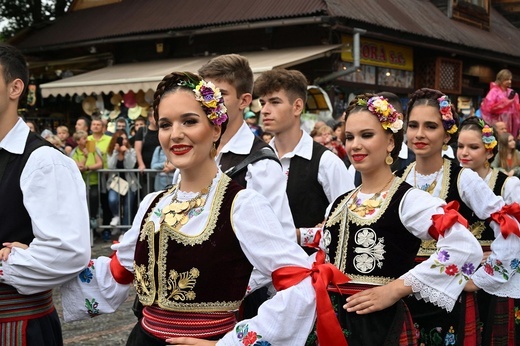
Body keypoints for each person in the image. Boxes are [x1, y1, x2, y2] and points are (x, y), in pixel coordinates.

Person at [59, 72, 350, 346]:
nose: (175, 134)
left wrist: (233, 342)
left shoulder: (241, 204)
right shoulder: (153, 203)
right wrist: (31, 261)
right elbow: (118, 271)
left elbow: (301, 282)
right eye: (165, 124)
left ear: (215, 128)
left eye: (189, 121)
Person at [304, 94, 482, 345]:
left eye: (367, 135)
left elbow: (463, 246)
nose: (355, 145)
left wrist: (395, 289)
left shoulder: (409, 200)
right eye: (350, 137)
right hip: (332, 323)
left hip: (382, 325)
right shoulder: (339, 201)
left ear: (390, 142)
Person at [398, 88, 520, 344]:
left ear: (446, 134)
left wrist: (480, 279)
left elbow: (508, 225)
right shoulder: (399, 178)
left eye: (430, 126)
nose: (419, 134)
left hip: (451, 294)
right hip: (406, 292)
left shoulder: (464, 178)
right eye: (413, 125)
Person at [0, 42, 90, 345]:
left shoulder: (43, 161)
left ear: (15, 88)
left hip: (15, 325)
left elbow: (68, 252)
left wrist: (5, 265)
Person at [198, 55, 296, 319]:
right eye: (206, 94)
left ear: (243, 100)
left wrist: (228, 290)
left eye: (221, 95)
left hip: (239, 301)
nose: (211, 103)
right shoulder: (197, 151)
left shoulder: (260, 164)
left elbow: (280, 244)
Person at [253, 68, 354, 253]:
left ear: (297, 107)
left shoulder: (326, 162)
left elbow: (349, 225)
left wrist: (302, 234)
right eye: (262, 102)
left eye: (274, 102)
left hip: (310, 273)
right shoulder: (256, 159)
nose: (265, 110)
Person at [456, 116, 520, 345]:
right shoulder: (455, 183)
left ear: (490, 152)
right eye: (460, 146)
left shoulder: (507, 184)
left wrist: (494, 257)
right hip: (462, 273)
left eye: (473, 147)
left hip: (498, 273)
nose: (464, 153)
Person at [70, 130, 104, 241]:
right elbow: (78, 166)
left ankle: (93, 220)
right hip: (81, 183)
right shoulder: (74, 152)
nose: (87, 140)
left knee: (93, 198)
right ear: (78, 141)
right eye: (84, 138)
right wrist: (85, 157)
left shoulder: (93, 149)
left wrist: (89, 168)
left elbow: (100, 163)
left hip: (94, 182)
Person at [106, 130, 139, 235]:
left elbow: (130, 166)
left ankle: (124, 232)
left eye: (125, 138)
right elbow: (111, 166)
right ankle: (116, 216)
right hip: (115, 182)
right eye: (120, 139)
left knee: (127, 207)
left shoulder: (131, 151)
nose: (123, 141)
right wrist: (116, 152)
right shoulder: (111, 151)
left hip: (129, 182)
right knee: (112, 199)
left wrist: (127, 153)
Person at [88, 115, 113, 228]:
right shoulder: (88, 140)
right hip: (90, 176)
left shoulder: (109, 139)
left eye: (98, 124)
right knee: (92, 203)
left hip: (106, 174)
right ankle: (93, 229)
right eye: (94, 124)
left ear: (103, 127)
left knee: (105, 202)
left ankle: (106, 229)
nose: (96, 126)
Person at [480, 69, 520, 137]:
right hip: (497, 122)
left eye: (510, 79)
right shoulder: (493, 92)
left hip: (510, 122)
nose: (509, 82)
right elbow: (487, 109)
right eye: (507, 79)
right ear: (501, 80)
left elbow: (517, 109)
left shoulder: (512, 92)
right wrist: (505, 103)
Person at [134, 107, 160, 195]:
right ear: (150, 118)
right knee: (147, 194)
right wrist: (141, 164)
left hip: (159, 168)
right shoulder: (142, 131)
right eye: (155, 116)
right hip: (146, 169)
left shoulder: (162, 130)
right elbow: (137, 150)